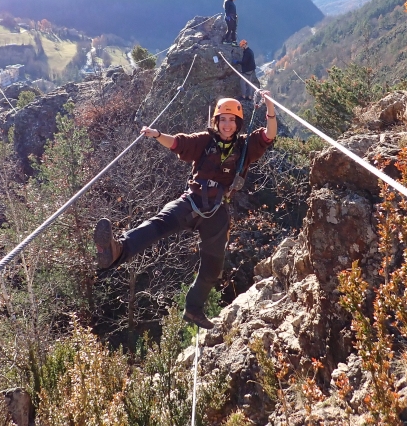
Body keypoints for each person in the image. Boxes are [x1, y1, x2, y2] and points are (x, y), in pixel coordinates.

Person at [94, 94, 277, 329]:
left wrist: (270, 108)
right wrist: (158, 135)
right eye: (223, 120)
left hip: (217, 212)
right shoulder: (204, 141)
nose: (227, 124)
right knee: (157, 224)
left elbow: (269, 134)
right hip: (192, 202)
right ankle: (116, 249)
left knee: (213, 267)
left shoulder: (245, 147)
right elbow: (180, 143)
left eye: (232, 120)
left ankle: (193, 309)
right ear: (216, 121)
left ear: (238, 123)